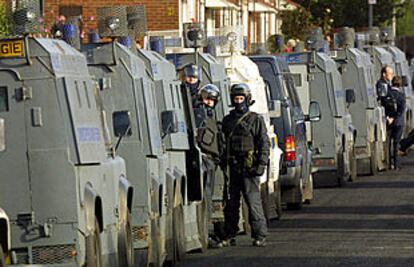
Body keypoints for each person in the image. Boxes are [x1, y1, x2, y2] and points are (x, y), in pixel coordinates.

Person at [220, 83, 269, 247]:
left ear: (247, 99)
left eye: (241, 98)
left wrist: (261, 164)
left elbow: (263, 143)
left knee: (253, 202)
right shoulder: (227, 121)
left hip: (250, 168)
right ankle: (229, 233)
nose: (239, 101)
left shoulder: (255, 120)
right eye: (236, 98)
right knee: (231, 204)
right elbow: (221, 144)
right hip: (232, 168)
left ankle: (259, 235)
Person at [193, 84, 222, 248]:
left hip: (212, 160)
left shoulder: (211, 115)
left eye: (212, 100)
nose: (209, 102)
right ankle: (205, 233)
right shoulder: (198, 113)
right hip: (202, 159)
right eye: (206, 99)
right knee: (205, 198)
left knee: (209, 198)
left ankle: (207, 232)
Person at [387, 76, 406, 170]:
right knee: (396, 143)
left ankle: (389, 163)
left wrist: (389, 117)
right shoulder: (401, 95)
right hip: (398, 122)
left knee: (388, 142)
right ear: (400, 84)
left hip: (388, 121)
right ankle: (396, 164)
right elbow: (402, 109)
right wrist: (396, 117)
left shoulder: (388, 93)